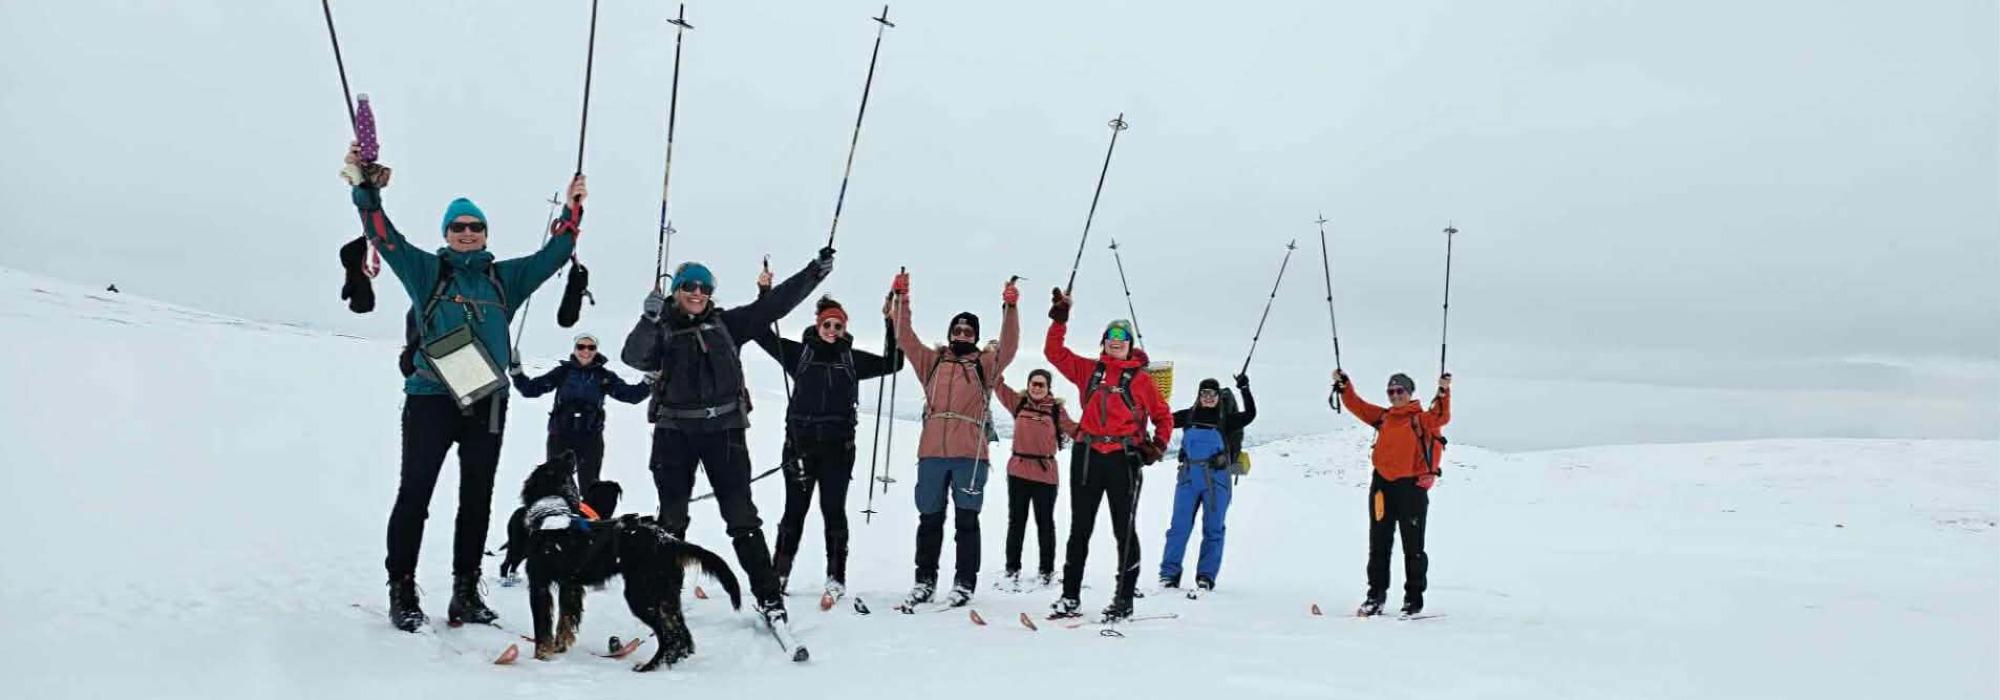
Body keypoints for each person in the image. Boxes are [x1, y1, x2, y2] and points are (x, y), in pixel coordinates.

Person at [342, 143, 584, 632]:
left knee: (477, 499)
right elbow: (382, 236)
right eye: (459, 227)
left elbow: (554, 254)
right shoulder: (427, 271)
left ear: (486, 233)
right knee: (415, 494)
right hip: (431, 398)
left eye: (475, 227)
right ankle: (403, 588)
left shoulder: (504, 280)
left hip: (488, 401)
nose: (467, 233)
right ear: (447, 234)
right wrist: (366, 191)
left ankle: (466, 591)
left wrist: (573, 210)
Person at [621, 252, 833, 627]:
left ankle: (769, 599)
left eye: (705, 287)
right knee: (672, 520)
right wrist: (647, 318)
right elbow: (634, 357)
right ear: (675, 291)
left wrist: (813, 273)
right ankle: (667, 601)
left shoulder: (728, 324)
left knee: (742, 518)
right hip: (675, 432)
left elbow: (774, 305)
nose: (697, 292)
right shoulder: (661, 327)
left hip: (725, 433)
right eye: (689, 286)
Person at [750, 292, 904, 602]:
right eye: (827, 325)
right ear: (818, 325)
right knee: (794, 512)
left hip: (839, 451)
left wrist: (890, 321)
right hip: (799, 450)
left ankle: (836, 577)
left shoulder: (852, 359)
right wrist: (765, 294)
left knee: (833, 512)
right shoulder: (798, 354)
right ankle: (779, 573)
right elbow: (760, 333)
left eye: (838, 326)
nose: (832, 331)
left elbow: (894, 363)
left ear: (845, 329)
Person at [890, 272, 1020, 609]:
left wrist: (1010, 308)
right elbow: (904, 336)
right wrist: (902, 300)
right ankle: (924, 581)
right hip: (932, 452)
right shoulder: (931, 362)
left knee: (966, 520)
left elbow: (1008, 347)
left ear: (975, 336)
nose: (962, 334)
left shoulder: (984, 366)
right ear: (950, 333)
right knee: (929, 519)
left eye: (968, 331)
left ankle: (964, 583)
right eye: (957, 330)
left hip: (969, 454)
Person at [1043, 289, 1172, 622]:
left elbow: (1163, 416)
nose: (1116, 340)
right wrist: (1060, 318)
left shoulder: (1142, 380)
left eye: (1123, 336)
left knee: (1124, 530)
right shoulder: (1090, 370)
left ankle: (1124, 599)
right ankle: (1069, 597)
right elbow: (1053, 352)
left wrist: (1157, 446)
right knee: (1080, 528)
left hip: (1123, 459)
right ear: (1103, 342)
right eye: (1111, 336)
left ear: (1130, 344)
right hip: (1087, 454)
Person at [1332, 369, 1451, 617]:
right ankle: (1375, 596)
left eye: (1400, 391)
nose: (1395, 395)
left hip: (1412, 488)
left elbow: (1441, 416)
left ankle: (1413, 600)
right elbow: (1358, 406)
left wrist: (1443, 391)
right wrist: (1345, 386)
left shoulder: (1422, 418)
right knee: (1379, 543)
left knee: (1413, 546)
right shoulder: (1384, 417)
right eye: (1391, 391)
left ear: (1410, 393)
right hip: (1382, 487)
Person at [508, 332, 651, 490]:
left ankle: (587, 514)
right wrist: (517, 373)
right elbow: (530, 390)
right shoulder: (562, 372)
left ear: (596, 350)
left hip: (590, 438)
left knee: (590, 486)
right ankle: (556, 513)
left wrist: (648, 382)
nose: (586, 351)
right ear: (574, 349)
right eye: (581, 346)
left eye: (591, 347)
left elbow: (631, 396)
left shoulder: (603, 376)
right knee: (555, 482)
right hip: (560, 435)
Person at [1157, 373, 1257, 593]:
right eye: (1204, 393)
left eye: (1213, 394)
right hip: (1188, 476)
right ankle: (1168, 575)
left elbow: (1250, 415)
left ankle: (1205, 577)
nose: (1209, 397)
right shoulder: (1189, 416)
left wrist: (1245, 388)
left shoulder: (1225, 420)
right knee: (1178, 528)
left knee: (1213, 529)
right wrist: (1152, 394)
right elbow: (1161, 418)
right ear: (1199, 395)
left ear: (1218, 396)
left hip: (1216, 479)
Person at [993, 368, 1078, 591]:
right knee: (1016, 522)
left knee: (1045, 523)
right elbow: (997, 384)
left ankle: (1046, 572)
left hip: (1045, 473)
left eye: (1041, 384)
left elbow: (1075, 430)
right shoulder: (1018, 403)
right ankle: (1012, 570)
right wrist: (996, 357)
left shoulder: (1057, 410)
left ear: (1048, 387)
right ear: (1028, 384)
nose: (1037, 388)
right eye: (1033, 383)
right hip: (1018, 471)